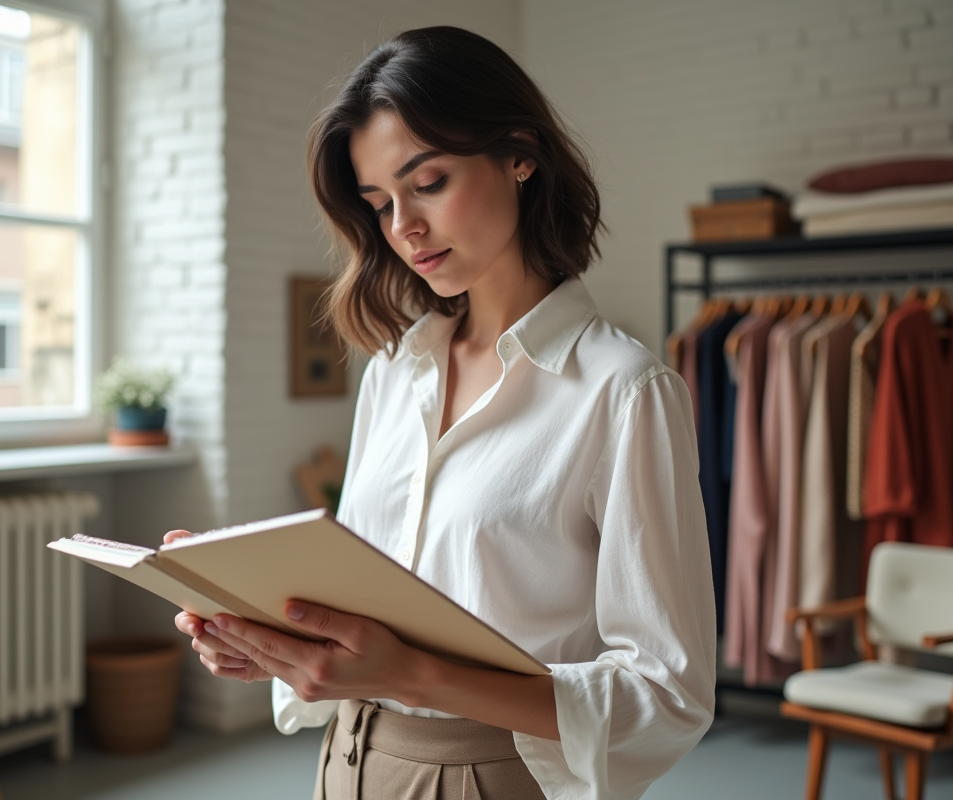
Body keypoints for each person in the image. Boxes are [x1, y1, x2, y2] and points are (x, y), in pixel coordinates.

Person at [168, 25, 715, 800]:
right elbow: (370, 603)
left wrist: (417, 677)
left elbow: (668, 697)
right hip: (349, 762)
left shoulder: (623, 392)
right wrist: (268, 639)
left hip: (496, 776)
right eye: (380, 202)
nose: (403, 228)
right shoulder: (394, 372)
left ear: (520, 153)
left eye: (427, 183)